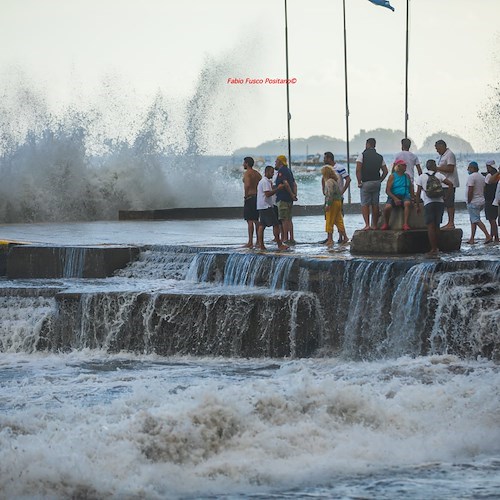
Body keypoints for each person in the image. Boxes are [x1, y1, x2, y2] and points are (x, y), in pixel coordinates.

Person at [415, 159, 453, 257]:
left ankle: (433, 248)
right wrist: (446, 197)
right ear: (434, 166)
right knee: (437, 226)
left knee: (430, 226)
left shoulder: (421, 177)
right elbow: (450, 184)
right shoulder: (439, 175)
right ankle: (438, 247)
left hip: (428, 203)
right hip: (439, 203)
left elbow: (418, 192)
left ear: (427, 167)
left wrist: (417, 205)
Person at [356, 138, 388, 230]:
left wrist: (359, 182)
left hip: (366, 182)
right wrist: (380, 180)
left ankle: (367, 225)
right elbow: (385, 171)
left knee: (365, 204)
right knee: (375, 204)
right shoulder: (379, 156)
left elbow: (358, 169)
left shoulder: (362, 155)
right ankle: (374, 225)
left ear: (367, 144)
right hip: (376, 182)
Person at [256, 166, 288, 251]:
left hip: (261, 206)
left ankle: (261, 245)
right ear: (266, 172)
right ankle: (279, 244)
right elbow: (267, 194)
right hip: (266, 206)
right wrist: (278, 189)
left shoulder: (263, 181)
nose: (273, 174)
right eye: (271, 172)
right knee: (276, 225)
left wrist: (275, 188)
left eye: (273, 172)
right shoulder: (265, 181)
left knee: (262, 225)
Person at [381, 159, 414, 231]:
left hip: (404, 196)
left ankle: (405, 224)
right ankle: (386, 223)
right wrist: (395, 198)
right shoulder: (392, 176)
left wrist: (413, 197)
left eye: (405, 166)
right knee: (387, 208)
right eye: (403, 166)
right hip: (393, 196)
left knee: (407, 203)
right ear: (398, 166)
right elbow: (387, 190)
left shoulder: (406, 176)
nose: (405, 167)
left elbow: (411, 188)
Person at [324, 151, 350, 243]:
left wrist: (342, 191)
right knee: (337, 218)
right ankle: (341, 237)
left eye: (325, 158)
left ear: (329, 158)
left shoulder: (339, 168)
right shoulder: (327, 169)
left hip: (335, 197)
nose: (324, 160)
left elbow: (348, 179)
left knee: (332, 217)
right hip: (333, 196)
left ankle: (337, 237)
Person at [465, 161, 492, 244]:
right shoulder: (481, 177)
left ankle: (488, 236)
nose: (467, 169)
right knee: (473, 220)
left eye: (469, 167)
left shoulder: (472, 177)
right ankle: (472, 238)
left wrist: (469, 200)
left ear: (473, 168)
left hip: (473, 201)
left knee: (476, 220)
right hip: (481, 200)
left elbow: (470, 189)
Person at [434, 139, 459, 230]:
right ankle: (449, 222)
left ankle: (451, 223)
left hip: (450, 183)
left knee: (450, 203)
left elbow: (450, 169)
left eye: (438, 149)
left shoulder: (450, 154)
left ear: (442, 146)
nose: (437, 151)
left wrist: (437, 168)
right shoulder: (442, 156)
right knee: (446, 203)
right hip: (443, 183)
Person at [321, 165, 347, 247]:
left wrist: (328, 204)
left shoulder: (329, 182)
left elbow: (329, 194)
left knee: (329, 220)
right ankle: (345, 237)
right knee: (338, 220)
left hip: (332, 203)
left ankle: (330, 239)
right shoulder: (334, 181)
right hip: (338, 201)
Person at [274, 155, 297, 245]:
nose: (275, 163)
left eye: (276, 161)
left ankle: (285, 239)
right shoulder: (289, 170)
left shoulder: (282, 170)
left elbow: (286, 183)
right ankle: (291, 238)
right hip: (289, 199)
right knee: (289, 219)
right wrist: (294, 195)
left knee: (284, 219)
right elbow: (294, 184)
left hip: (283, 198)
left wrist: (291, 194)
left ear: (280, 161)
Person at [242, 156, 262, 248]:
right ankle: (258, 241)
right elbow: (261, 183)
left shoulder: (247, 173)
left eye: (244, 163)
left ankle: (250, 242)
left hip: (250, 197)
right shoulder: (257, 173)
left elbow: (247, 185)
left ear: (247, 163)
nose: (243, 164)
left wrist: (246, 196)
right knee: (256, 220)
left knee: (249, 221)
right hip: (257, 197)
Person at [484, 160, 499, 242]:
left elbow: (489, 182)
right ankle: (492, 235)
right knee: (493, 219)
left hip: (490, 199)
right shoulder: (496, 174)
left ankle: (495, 237)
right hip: (495, 199)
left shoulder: (490, 175)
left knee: (492, 219)